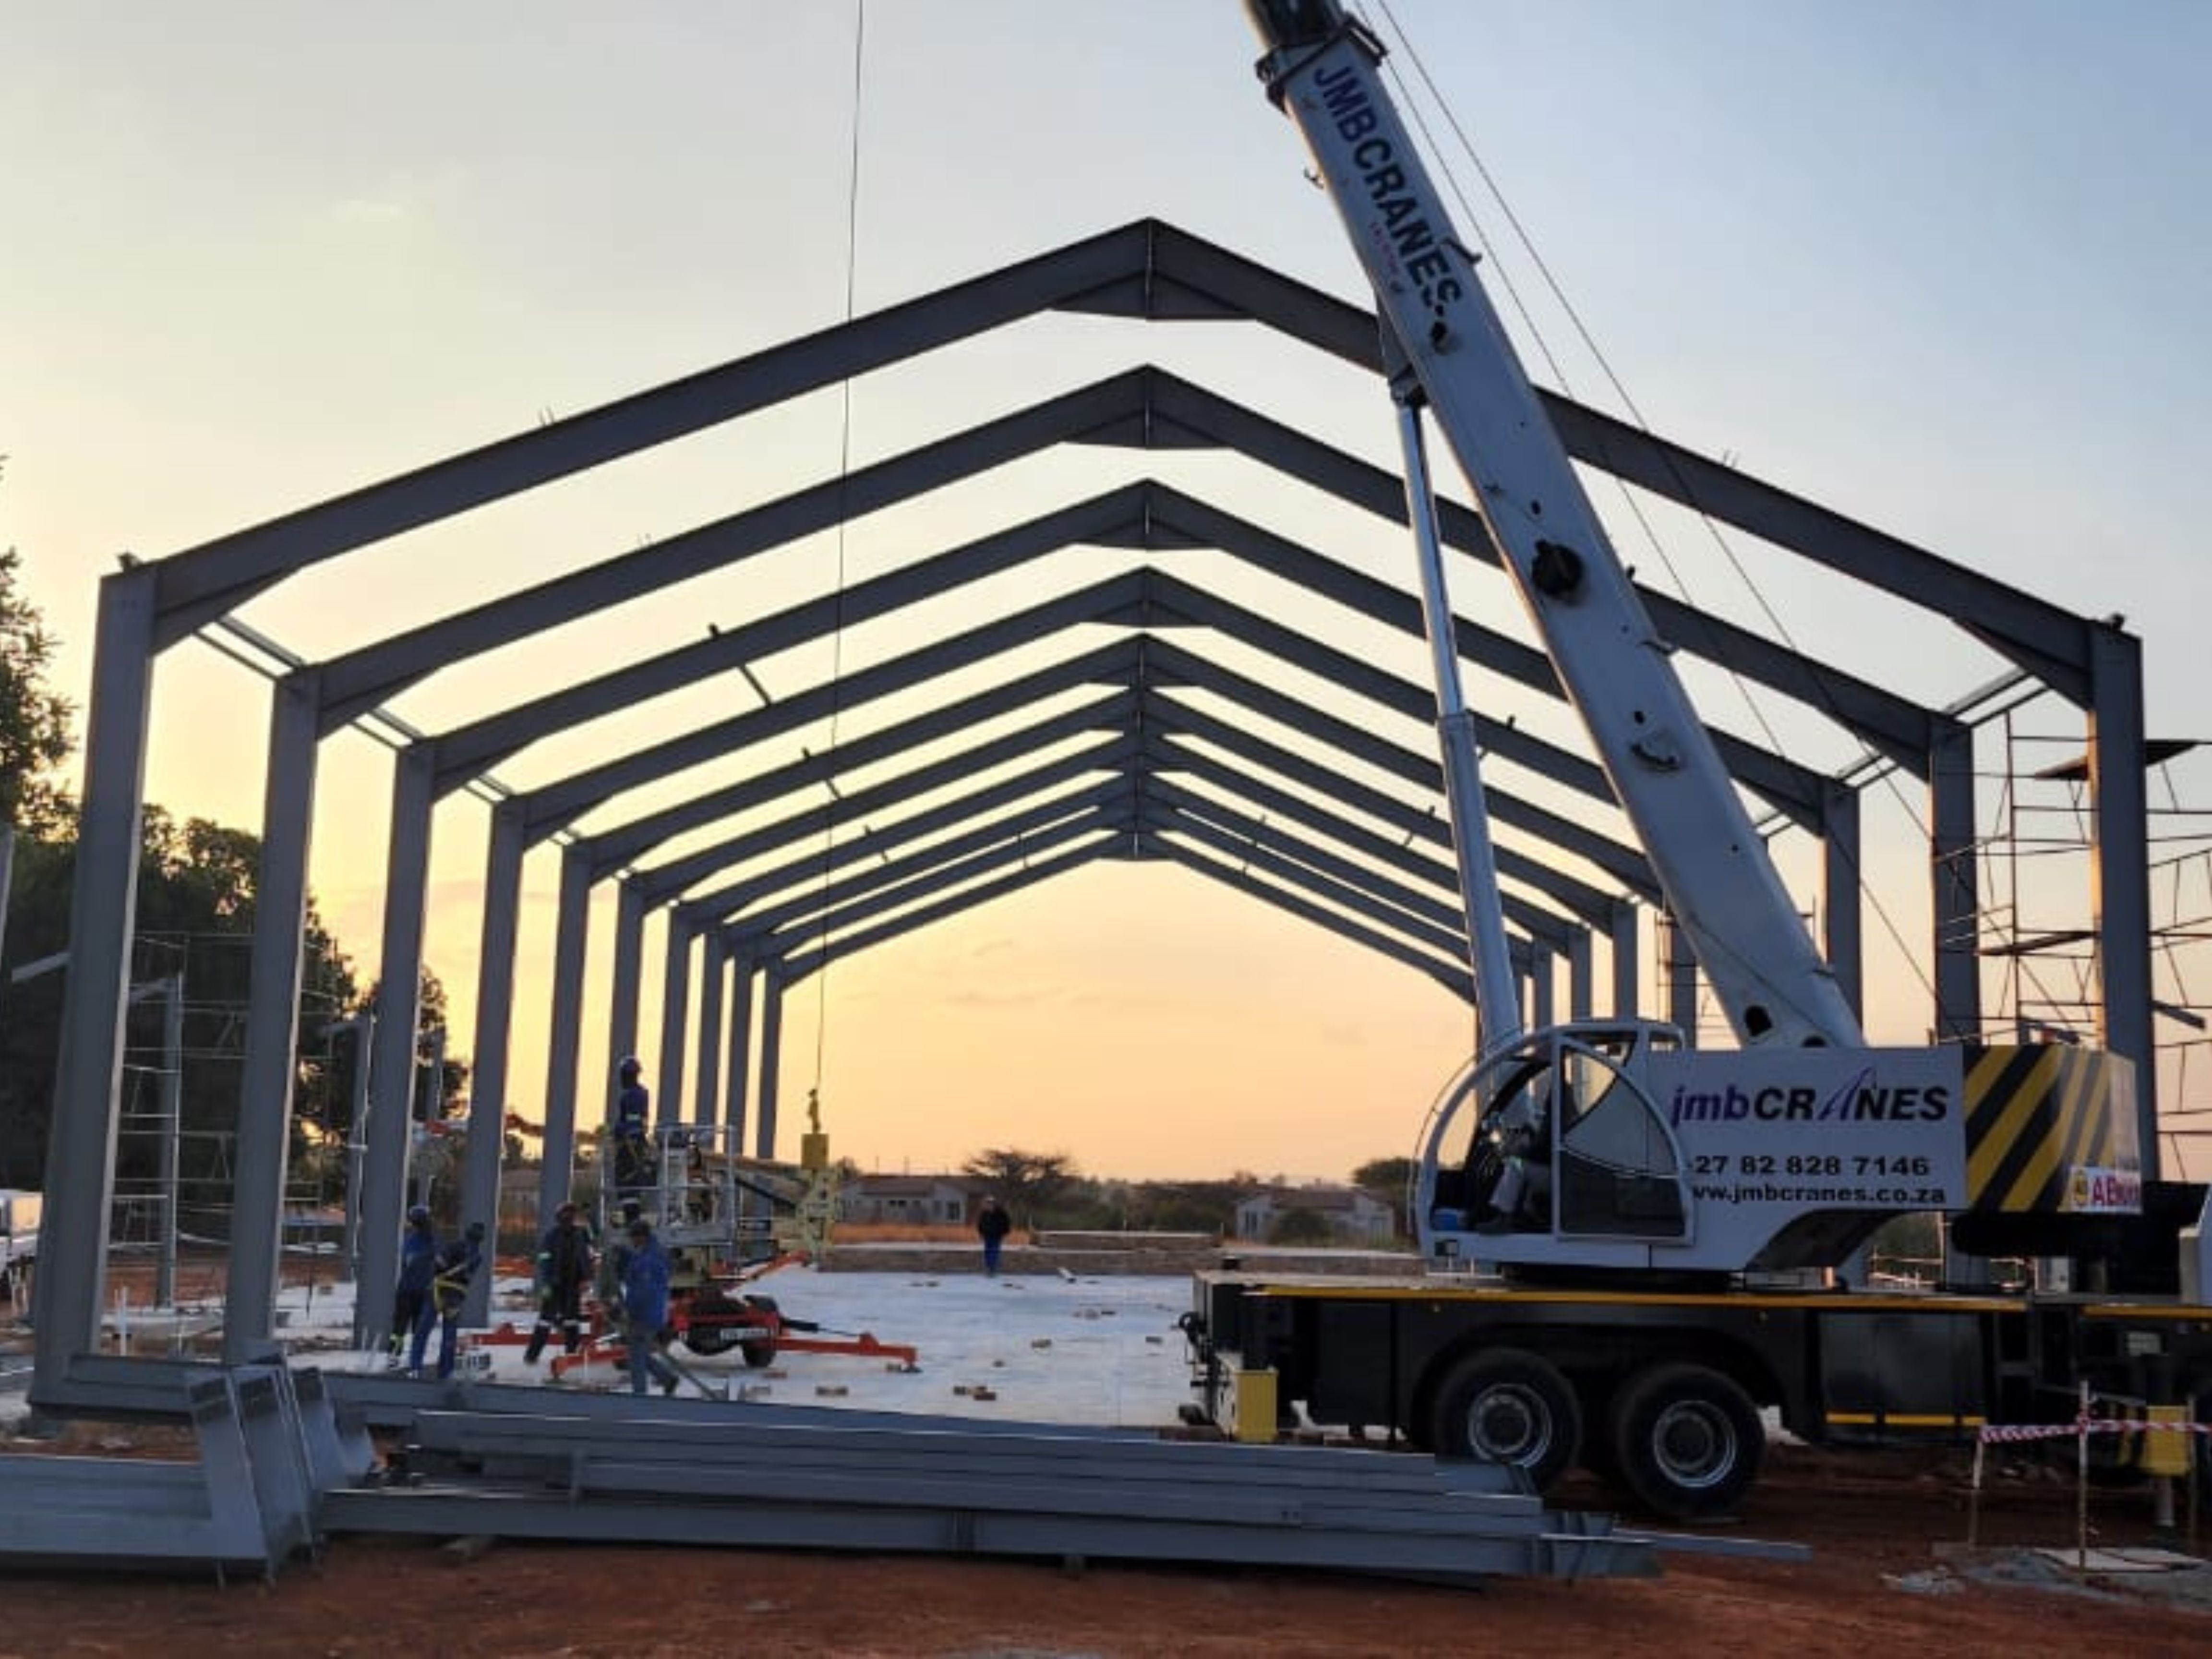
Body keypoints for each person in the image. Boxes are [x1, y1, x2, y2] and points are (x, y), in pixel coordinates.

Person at [613, 1216, 680, 1397]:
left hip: (647, 1313)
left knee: (636, 1355)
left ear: (642, 1236)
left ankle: (640, 1397)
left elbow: (643, 1291)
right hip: (651, 1311)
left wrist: (627, 1309)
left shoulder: (648, 1259)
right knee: (638, 1351)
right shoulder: (648, 1253)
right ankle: (667, 1379)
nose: (632, 1241)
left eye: (633, 1237)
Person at [524, 1201, 595, 1364]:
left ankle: (572, 1356)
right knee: (545, 1320)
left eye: (572, 1214)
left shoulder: (580, 1235)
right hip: (554, 1285)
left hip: (573, 1284)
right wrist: (547, 1282)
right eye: (566, 1214)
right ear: (559, 1217)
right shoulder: (552, 1236)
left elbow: (586, 1256)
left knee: (572, 1321)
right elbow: (544, 1258)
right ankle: (532, 1356)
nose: (569, 1218)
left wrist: (587, 1278)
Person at [414, 1219, 486, 1380]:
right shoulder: (477, 1256)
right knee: (449, 1335)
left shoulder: (455, 1246)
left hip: (438, 1291)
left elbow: (439, 1263)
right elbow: (467, 1275)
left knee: (423, 1330)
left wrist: (436, 1266)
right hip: (456, 1296)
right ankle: (446, 1371)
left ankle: (415, 1366)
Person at [389, 1204, 439, 1367]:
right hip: (420, 1290)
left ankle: (396, 1355)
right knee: (415, 1327)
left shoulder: (412, 1240)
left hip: (408, 1289)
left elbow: (409, 1262)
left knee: (400, 1326)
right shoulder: (429, 1240)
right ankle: (413, 1358)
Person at [611, 1056, 650, 1200]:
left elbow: (633, 1122)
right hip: (636, 1144)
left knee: (627, 1184)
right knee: (631, 1185)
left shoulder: (632, 1095)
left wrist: (618, 1130)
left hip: (630, 1146)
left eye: (623, 1075)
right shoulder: (641, 1093)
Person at [974, 1194, 1011, 1277]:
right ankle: (989, 1268)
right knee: (987, 1252)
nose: (988, 1205)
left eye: (990, 1203)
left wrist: (1005, 1233)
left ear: (993, 1204)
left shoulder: (1001, 1213)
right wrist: (981, 1233)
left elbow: (1006, 1223)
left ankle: (993, 1269)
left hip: (997, 1235)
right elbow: (980, 1224)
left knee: (994, 1252)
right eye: (987, 1203)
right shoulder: (984, 1213)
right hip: (987, 1235)